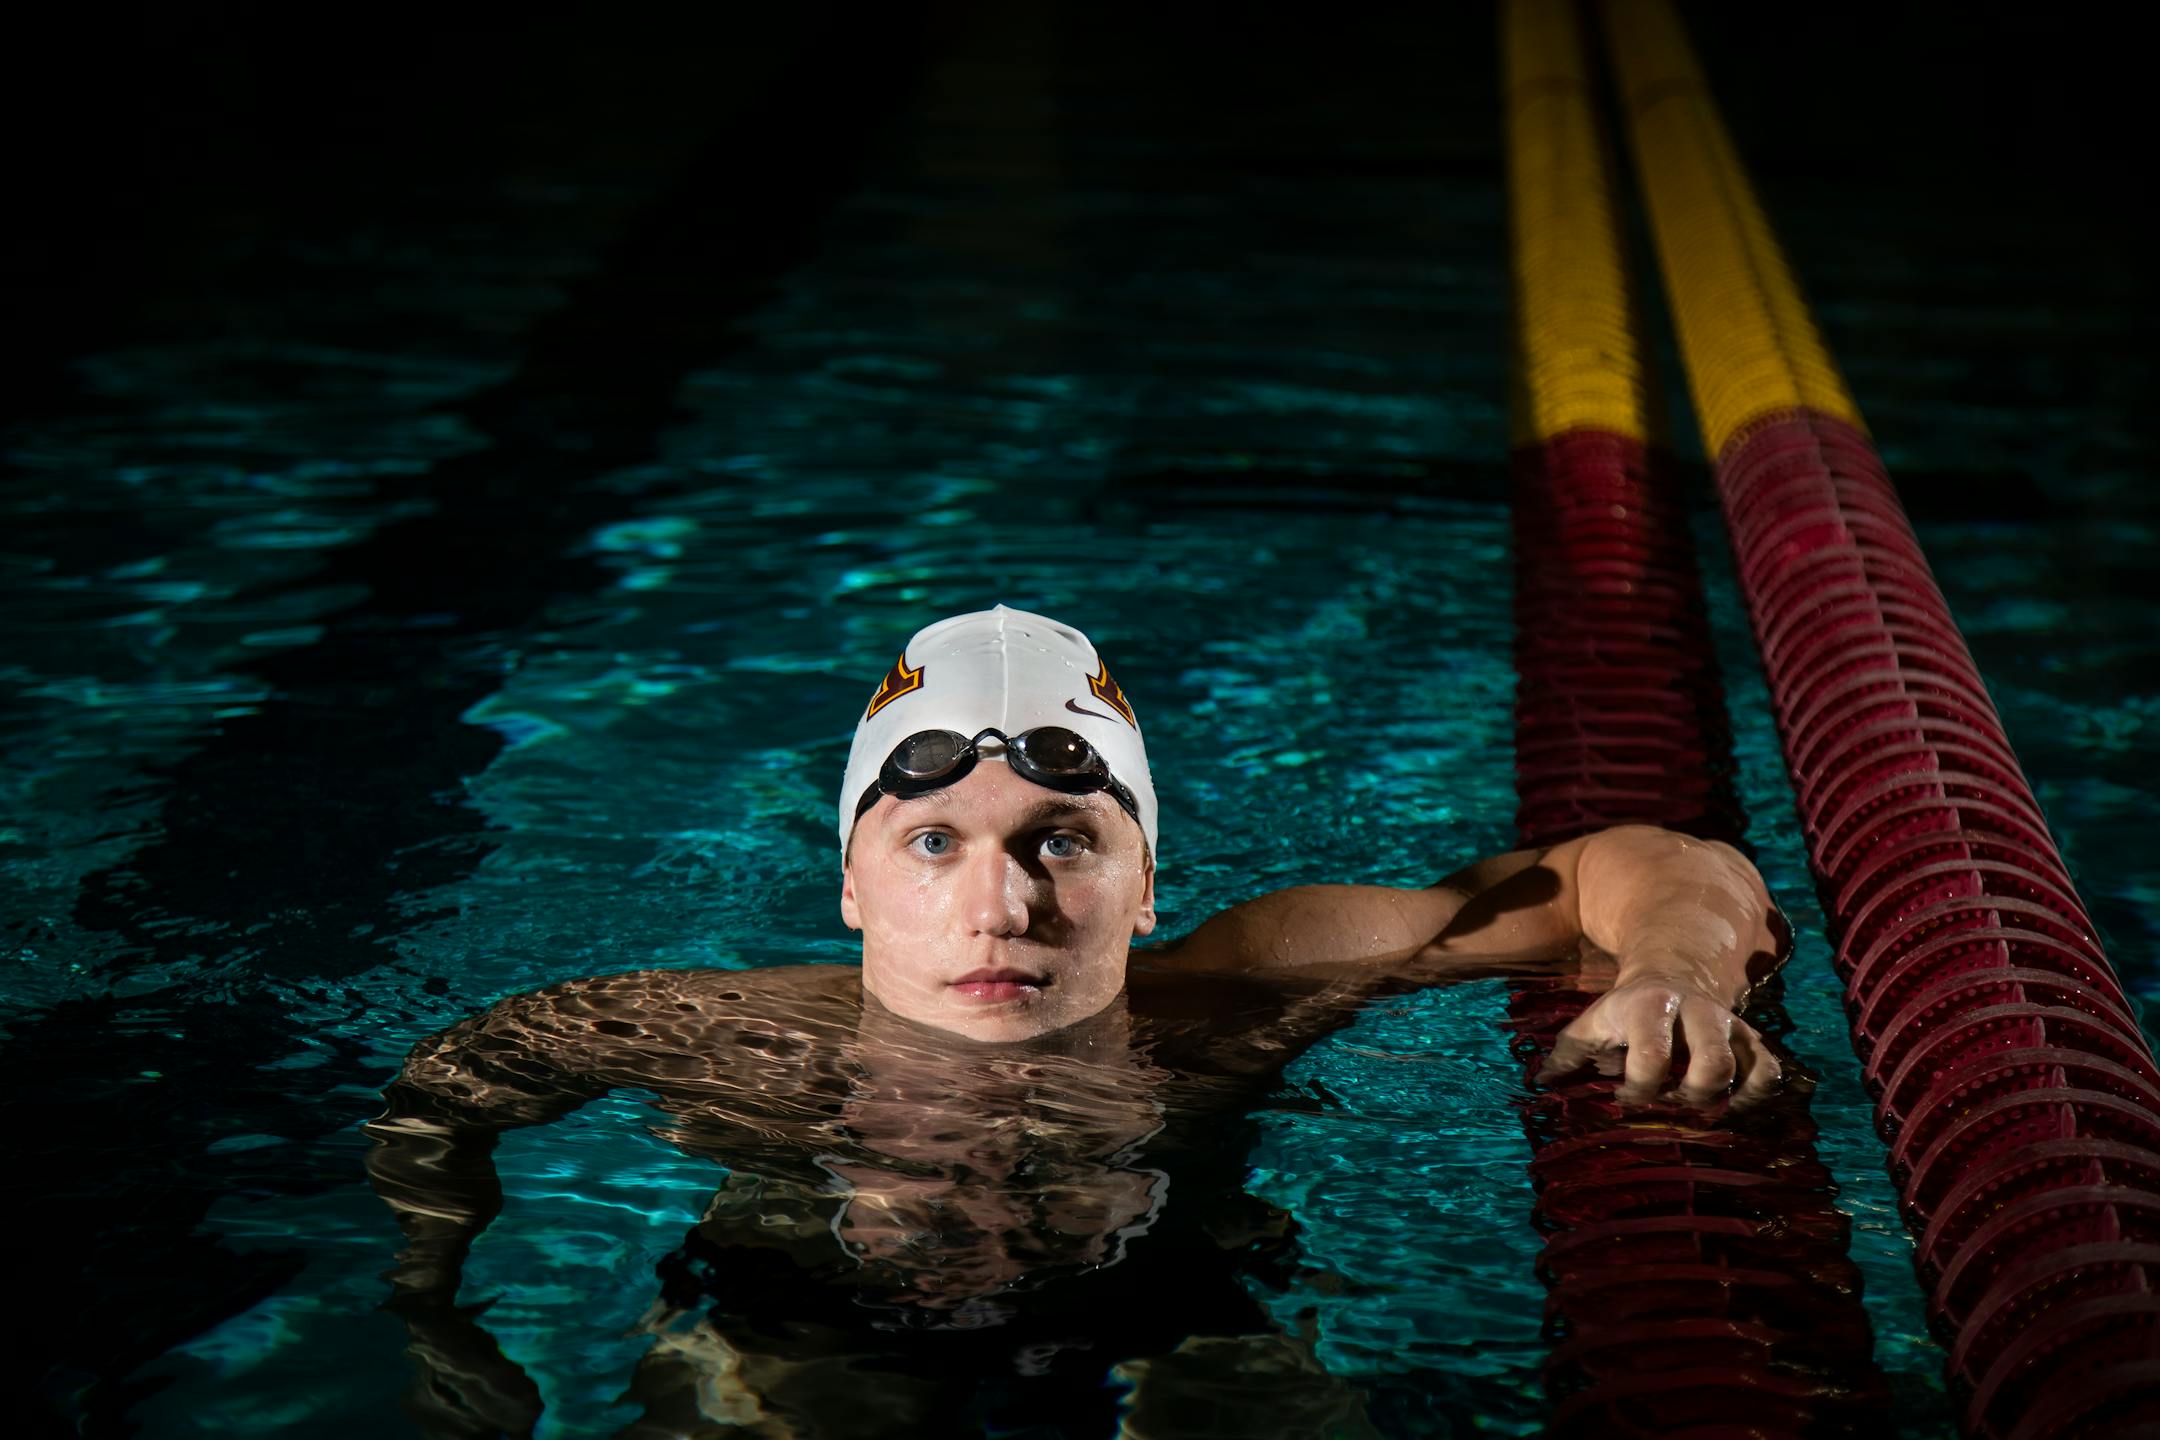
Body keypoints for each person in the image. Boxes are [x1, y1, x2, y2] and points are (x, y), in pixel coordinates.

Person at [364, 604, 1789, 1439]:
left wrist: (1679, 970)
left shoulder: (1246, 994)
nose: (1002, 909)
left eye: (1062, 841)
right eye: (933, 845)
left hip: (1182, 1315)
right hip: (792, 1318)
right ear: (848, 886)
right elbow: (453, 1080)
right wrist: (438, 1316)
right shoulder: (691, 1032)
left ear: (1147, 882)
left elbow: (1655, 862)